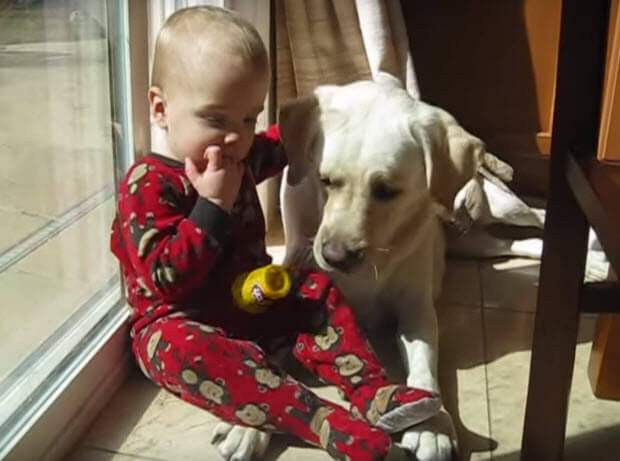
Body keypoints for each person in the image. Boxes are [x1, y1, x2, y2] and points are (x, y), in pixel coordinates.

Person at [110, 6, 440, 460]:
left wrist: (343, 110)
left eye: (247, 119)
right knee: (181, 348)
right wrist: (212, 206)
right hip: (181, 321)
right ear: (161, 109)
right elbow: (168, 278)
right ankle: (321, 421)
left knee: (318, 287)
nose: (235, 138)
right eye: (216, 119)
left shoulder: (239, 157)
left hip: (250, 301)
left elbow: (289, 139)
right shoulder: (146, 185)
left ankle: (372, 390)